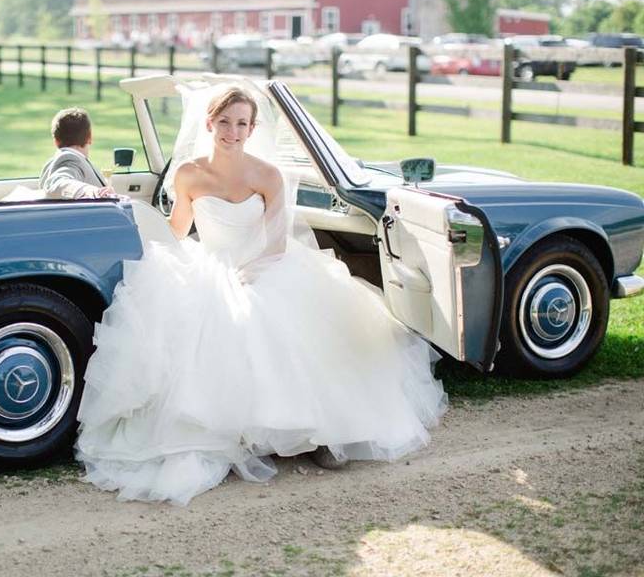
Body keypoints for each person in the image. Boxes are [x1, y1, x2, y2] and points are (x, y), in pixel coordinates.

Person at [75, 85, 447, 506]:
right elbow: (178, 231)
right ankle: (237, 434)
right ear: (209, 123)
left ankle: (321, 434)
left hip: (264, 264)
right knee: (206, 325)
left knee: (283, 319)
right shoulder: (189, 174)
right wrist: (137, 219)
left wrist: (252, 271)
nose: (232, 132)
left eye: (241, 124)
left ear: (251, 129)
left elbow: (276, 243)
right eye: (225, 122)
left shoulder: (267, 175)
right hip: (211, 264)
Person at [40, 107, 116, 199]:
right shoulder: (70, 160)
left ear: (56, 141)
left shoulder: (51, 164)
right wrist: (90, 191)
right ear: (90, 137)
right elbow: (57, 182)